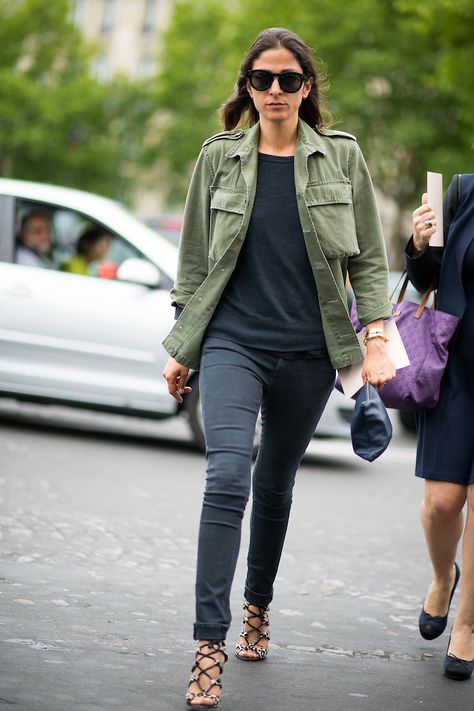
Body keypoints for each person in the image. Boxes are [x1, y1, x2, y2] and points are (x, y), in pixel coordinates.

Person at [162, 27, 396, 708]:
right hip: (234, 339)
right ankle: (209, 645)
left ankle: (257, 599)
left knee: (275, 482)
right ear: (247, 87)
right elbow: (195, 265)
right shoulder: (218, 158)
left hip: (311, 349)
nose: (273, 91)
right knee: (227, 472)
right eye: (261, 79)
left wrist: (377, 334)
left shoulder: (342, 158)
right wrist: (182, 346)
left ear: (307, 87)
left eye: (287, 79)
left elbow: (370, 262)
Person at [407, 174, 474, 681]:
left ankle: (467, 628)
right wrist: (420, 244)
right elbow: (429, 275)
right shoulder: (463, 192)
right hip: (456, 371)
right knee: (442, 502)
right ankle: (441, 576)